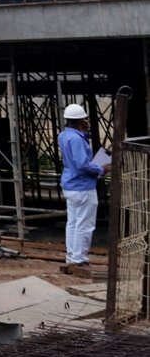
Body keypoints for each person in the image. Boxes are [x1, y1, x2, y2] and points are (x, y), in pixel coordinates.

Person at [58, 103, 106, 276]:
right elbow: (82, 164)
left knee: (73, 223)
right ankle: (79, 259)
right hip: (82, 186)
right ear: (80, 121)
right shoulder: (77, 139)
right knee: (84, 224)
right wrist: (101, 169)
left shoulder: (64, 136)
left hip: (70, 185)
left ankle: (71, 257)